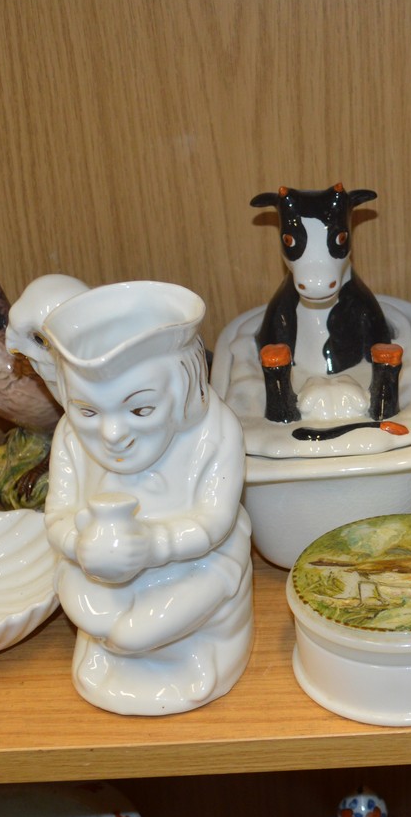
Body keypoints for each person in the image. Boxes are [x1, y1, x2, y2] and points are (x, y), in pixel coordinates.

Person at [42, 281, 253, 716]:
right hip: (97, 569)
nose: (112, 434)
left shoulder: (215, 432)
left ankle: (190, 656)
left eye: (140, 411)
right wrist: (78, 543)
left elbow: (215, 524)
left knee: (136, 631)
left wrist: (153, 545)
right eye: (88, 412)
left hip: (198, 567)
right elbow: (57, 515)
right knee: (89, 610)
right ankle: (105, 653)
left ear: (182, 396)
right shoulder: (68, 437)